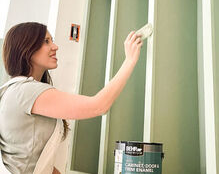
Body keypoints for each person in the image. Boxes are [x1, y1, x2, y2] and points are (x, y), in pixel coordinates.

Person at [0, 22, 142, 174]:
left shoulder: (13, 90)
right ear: (27, 48)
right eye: (46, 41)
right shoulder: (26, 91)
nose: (55, 47)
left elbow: (31, 160)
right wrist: (130, 60)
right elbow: (99, 106)